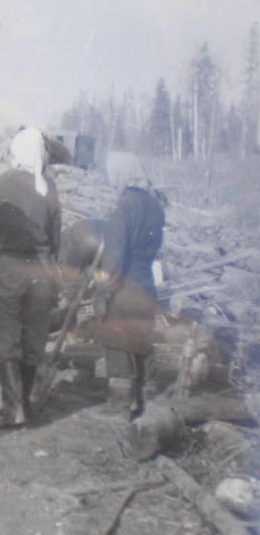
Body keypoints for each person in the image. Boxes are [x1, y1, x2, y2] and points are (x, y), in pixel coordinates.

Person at [0, 127, 61, 427]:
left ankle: (14, 408)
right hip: (41, 272)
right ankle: (26, 401)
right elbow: (56, 238)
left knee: (6, 337)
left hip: (6, 269)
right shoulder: (48, 187)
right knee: (34, 338)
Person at [94, 156, 166, 419]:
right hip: (146, 283)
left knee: (116, 341)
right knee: (141, 342)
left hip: (124, 287)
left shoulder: (122, 208)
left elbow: (113, 258)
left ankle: (120, 405)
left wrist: (101, 286)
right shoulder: (155, 206)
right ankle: (147, 402)